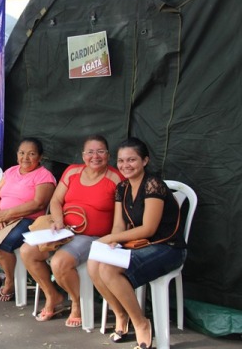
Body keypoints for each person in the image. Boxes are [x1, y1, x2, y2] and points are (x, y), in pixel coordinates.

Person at [88, 138, 186, 348]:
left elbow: (148, 229)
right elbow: (118, 226)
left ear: (145, 161)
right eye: (121, 161)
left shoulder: (153, 184)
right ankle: (121, 314)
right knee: (94, 263)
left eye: (132, 159)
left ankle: (141, 323)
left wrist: (112, 238)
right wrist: (113, 241)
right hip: (137, 245)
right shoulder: (122, 187)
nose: (125, 165)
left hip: (166, 247)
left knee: (109, 268)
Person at [20, 135, 124, 327]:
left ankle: (76, 303)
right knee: (27, 252)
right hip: (64, 230)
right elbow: (56, 201)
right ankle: (53, 295)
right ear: (83, 155)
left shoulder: (116, 178)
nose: (95, 156)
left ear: (108, 155)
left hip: (93, 236)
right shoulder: (72, 171)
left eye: (100, 151)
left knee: (59, 263)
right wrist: (58, 220)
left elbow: (122, 216)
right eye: (90, 152)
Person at [0, 137, 56, 301]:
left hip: (27, 220)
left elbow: (38, 204)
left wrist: (7, 214)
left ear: (40, 157)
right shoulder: (10, 171)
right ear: (17, 155)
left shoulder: (44, 176)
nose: (26, 158)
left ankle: (9, 281)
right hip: (1, 216)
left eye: (31, 154)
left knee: (2, 246)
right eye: (22, 153)